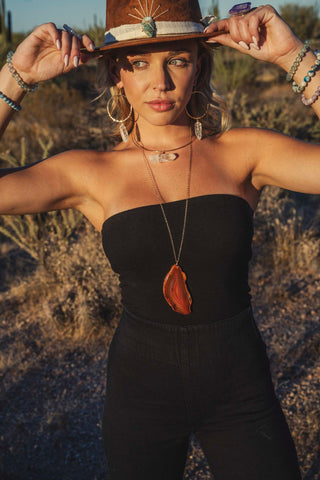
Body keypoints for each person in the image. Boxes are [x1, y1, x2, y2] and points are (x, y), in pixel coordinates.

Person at [0, 0, 319, 478]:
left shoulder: (243, 153)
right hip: (139, 398)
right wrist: (15, 76)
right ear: (115, 75)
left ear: (200, 64)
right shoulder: (91, 173)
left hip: (242, 394)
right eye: (139, 62)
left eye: (177, 59)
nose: (160, 82)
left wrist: (293, 55)